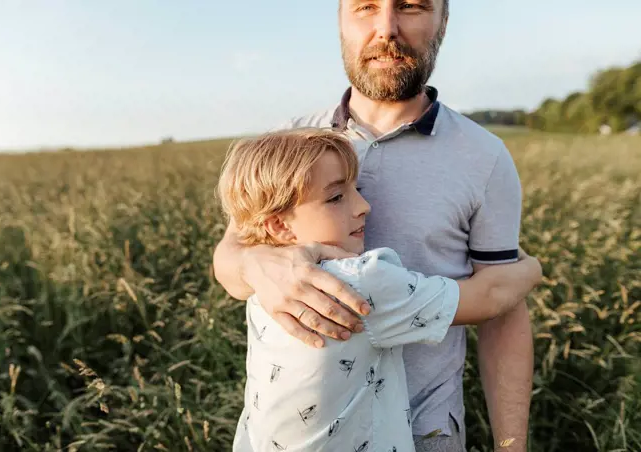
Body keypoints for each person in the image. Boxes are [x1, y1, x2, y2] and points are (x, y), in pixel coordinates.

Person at [213, 1, 536, 450]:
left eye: (411, 6)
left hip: (427, 434)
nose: (386, 28)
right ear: (341, 21)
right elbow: (230, 258)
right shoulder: (289, 144)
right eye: (366, 7)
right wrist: (256, 265)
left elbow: (503, 310)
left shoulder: (485, 156)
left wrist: (512, 444)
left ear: (443, 20)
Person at [216, 129, 542, 452]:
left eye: (355, 189)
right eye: (335, 197)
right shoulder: (359, 282)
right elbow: (488, 298)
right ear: (279, 224)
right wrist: (532, 267)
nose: (363, 206)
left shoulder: (265, 281)